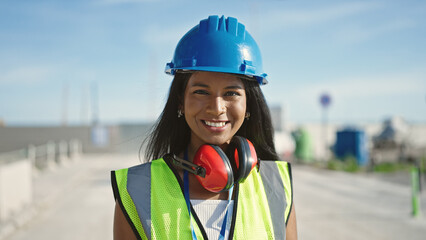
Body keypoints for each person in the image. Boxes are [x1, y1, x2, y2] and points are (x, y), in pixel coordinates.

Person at [111, 15, 297, 240]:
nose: (216, 108)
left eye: (231, 93)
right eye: (201, 92)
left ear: (249, 104)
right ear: (180, 101)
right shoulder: (137, 191)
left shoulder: (277, 188)